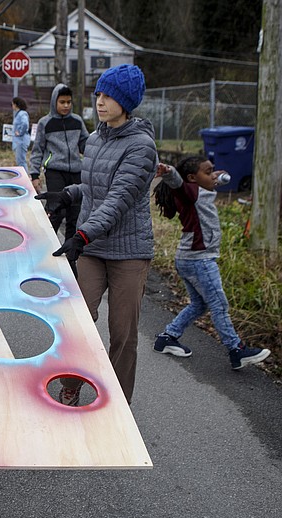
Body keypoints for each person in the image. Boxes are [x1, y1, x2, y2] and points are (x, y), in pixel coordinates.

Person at [36, 64, 156, 406]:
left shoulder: (141, 146)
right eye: (99, 94)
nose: (100, 102)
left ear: (126, 101)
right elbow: (94, 187)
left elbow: (119, 198)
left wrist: (81, 235)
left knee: (123, 334)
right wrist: (69, 195)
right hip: (93, 246)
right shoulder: (98, 137)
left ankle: (116, 404)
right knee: (78, 322)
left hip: (128, 252)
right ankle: (71, 385)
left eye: (109, 96)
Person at [152, 157, 271, 369]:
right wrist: (169, 171)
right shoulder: (190, 191)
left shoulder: (200, 189)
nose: (213, 175)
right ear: (192, 178)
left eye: (212, 171)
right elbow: (177, 183)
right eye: (208, 172)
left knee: (200, 304)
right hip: (200, 259)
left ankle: (167, 338)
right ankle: (236, 350)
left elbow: (209, 181)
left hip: (189, 257)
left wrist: (215, 176)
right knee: (219, 305)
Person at [29, 84, 89, 242]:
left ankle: (70, 255)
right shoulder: (45, 123)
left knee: (75, 215)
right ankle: (44, 245)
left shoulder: (77, 121)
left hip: (76, 172)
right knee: (56, 211)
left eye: (69, 102)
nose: (66, 105)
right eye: (62, 102)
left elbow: (86, 145)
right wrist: (34, 175)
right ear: (54, 102)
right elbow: (37, 150)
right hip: (55, 172)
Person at [11, 97, 31, 172]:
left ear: (16, 105)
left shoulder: (22, 114)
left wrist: (20, 132)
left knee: (21, 161)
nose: (12, 106)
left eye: (12, 104)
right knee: (20, 161)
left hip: (21, 141)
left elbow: (25, 123)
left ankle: (25, 178)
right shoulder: (19, 114)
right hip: (19, 141)